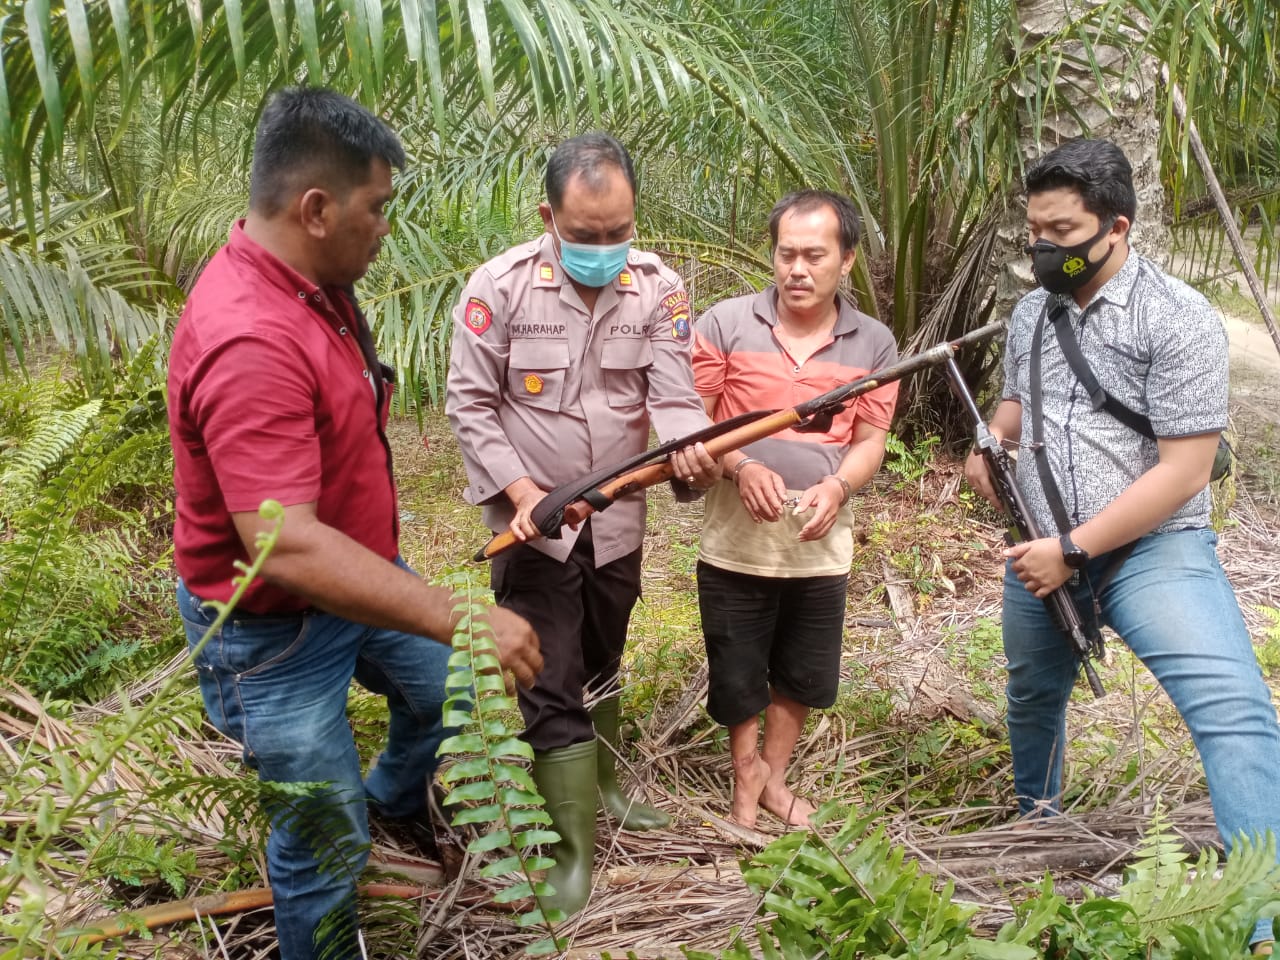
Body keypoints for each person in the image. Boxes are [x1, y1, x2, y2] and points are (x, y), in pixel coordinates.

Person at [168, 88, 542, 960]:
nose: (385, 227)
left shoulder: (312, 283)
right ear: (316, 208)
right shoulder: (251, 338)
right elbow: (284, 544)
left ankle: (392, 798)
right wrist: (461, 613)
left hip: (355, 579)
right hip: (273, 637)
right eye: (377, 208)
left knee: (450, 693)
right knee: (322, 844)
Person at [964, 138, 1280, 955]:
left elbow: (1185, 470)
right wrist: (988, 446)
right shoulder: (1035, 309)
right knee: (1035, 698)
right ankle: (1039, 830)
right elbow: (1017, 411)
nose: (1043, 249)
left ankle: (1263, 919)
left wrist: (1073, 549)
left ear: (1117, 227)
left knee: (1236, 716)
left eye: (1061, 232)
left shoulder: (1177, 319)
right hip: (1043, 551)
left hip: (1152, 553)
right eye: (1034, 229)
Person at [445, 132, 720, 914]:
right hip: (534, 525)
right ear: (548, 215)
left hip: (618, 518)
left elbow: (672, 393)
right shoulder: (498, 288)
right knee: (550, 673)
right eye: (587, 235)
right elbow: (470, 404)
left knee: (604, 649)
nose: (605, 249)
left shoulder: (660, 288)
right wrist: (526, 492)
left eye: (619, 232)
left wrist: (685, 447)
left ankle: (601, 783)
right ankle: (570, 855)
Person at [691, 190, 898, 829]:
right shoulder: (724, 324)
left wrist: (837, 487)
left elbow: (870, 441)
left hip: (819, 544)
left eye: (815, 255)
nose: (797, 270)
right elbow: (693, 421)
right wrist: (741, 464)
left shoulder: (875, 345)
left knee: (802, 671)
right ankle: (744, 775)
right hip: (735, 542)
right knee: (738, 668)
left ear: (848, 260)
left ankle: (771, 778)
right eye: (786, 254)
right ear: (772, 255)